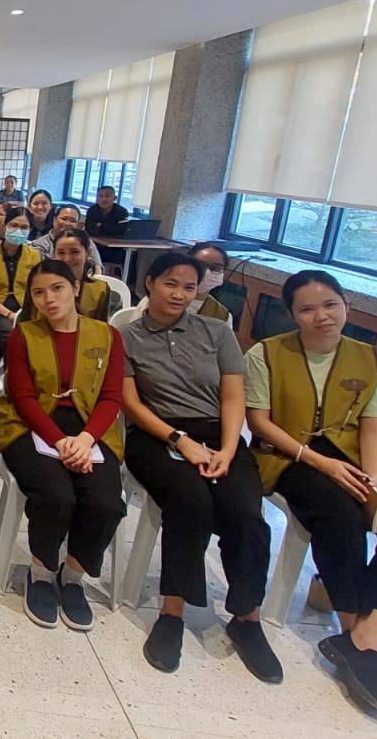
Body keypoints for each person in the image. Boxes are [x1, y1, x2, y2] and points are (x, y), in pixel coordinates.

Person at [245, 271, 377, 716]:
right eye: (307, 309)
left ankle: (366, 639)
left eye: (330, 304)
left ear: (346, 305)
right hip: (291, 457)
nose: (321, 317)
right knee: (337, 517)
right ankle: (350, 622)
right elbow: (260, 423)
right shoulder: (266, 354)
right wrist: (319, 461)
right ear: (293, 315)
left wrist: (370, 484)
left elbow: (373, 428)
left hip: (357, 458)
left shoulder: (371, 361)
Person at [119, 252, 280, 681]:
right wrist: (179, 441)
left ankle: (247, 617)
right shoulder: (128, 336)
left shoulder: (217, 332)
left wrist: (229, 449)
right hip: (156, 434)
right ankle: (172, 611)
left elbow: (233, 397)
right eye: (170, 283)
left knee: (245, 512)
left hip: (219, 432)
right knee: (189, 501)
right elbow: (131, 403)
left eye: (189, 287)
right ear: (149, 283)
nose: (179, 294)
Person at [0, 260, 127, 630]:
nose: (49, 299)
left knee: (106, 501)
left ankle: (73, 576)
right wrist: (62, 442)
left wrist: (84, 439)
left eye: (57, 289)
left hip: (89, 429)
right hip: (31, 424)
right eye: (39, 292)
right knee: (56, 494)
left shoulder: (107, 336)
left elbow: (112, 398)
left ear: (75, 288)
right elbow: (22, 397)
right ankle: (41, 571)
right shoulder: (25, 334)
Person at [0, 226, 43, 354]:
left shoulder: (34, 255)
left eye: (24, 227)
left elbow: (37, 289)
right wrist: (10, 315)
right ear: (5, 226)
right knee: (12, 337)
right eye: (14, 225)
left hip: (26, 308)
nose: (18, 231)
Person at [47, 229, 123, 323]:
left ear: (88, 253)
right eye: (61, 253)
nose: (67, 259)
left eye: (74, 252)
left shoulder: (100, 289)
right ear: (54, 255)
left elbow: (102, 329)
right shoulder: (41, 287)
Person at [32, 204, 104, 273]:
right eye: (64, 219)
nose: (67, 223)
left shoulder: (86, 241)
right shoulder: (39, 244)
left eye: (72, 221)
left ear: (78, 225)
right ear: (54, 220)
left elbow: (97, 267)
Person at [187, 241, 243, 326]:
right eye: (201, 265)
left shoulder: (223, 316)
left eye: (216, 268)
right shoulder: (164, 298)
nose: (207, 272)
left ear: (224, 272)